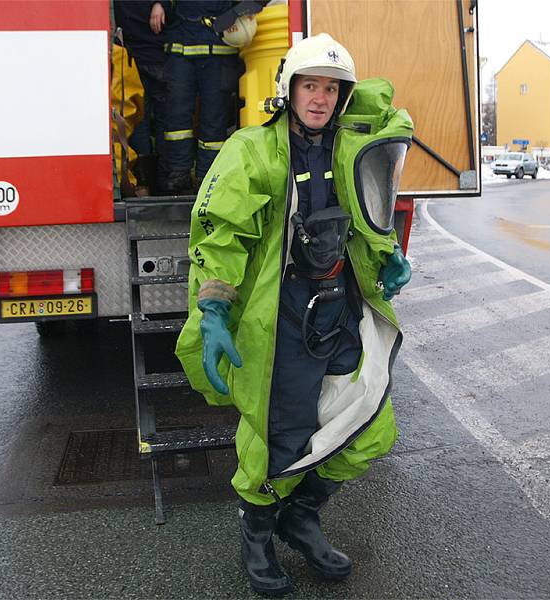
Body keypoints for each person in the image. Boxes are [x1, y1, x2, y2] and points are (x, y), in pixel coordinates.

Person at [175, 34, 414, 595]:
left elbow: (369, 212)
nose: (320, 98)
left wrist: (391, 256)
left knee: (369, 424)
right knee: (276, 434)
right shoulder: (253, 152)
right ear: (289, 89)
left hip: (340, 308)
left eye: (331, 89)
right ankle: (256, 532)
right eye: (311, 85)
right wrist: (212, 307)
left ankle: (300, 515)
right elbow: (219, 234)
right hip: (279, 315)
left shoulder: (351, 149)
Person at [157, 1, 245, 194]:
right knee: (177, 118)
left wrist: (239, 12)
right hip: (181, 47)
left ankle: (208, 176)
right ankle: (179, 173)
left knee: (214, 120)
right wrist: (159, 4)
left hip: (219, 51)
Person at [113, 0, 168, 194]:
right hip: (143, 55)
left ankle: (148, 184)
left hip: (144, 56)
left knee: (143, 121)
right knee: (146, 122)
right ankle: (152, 183)